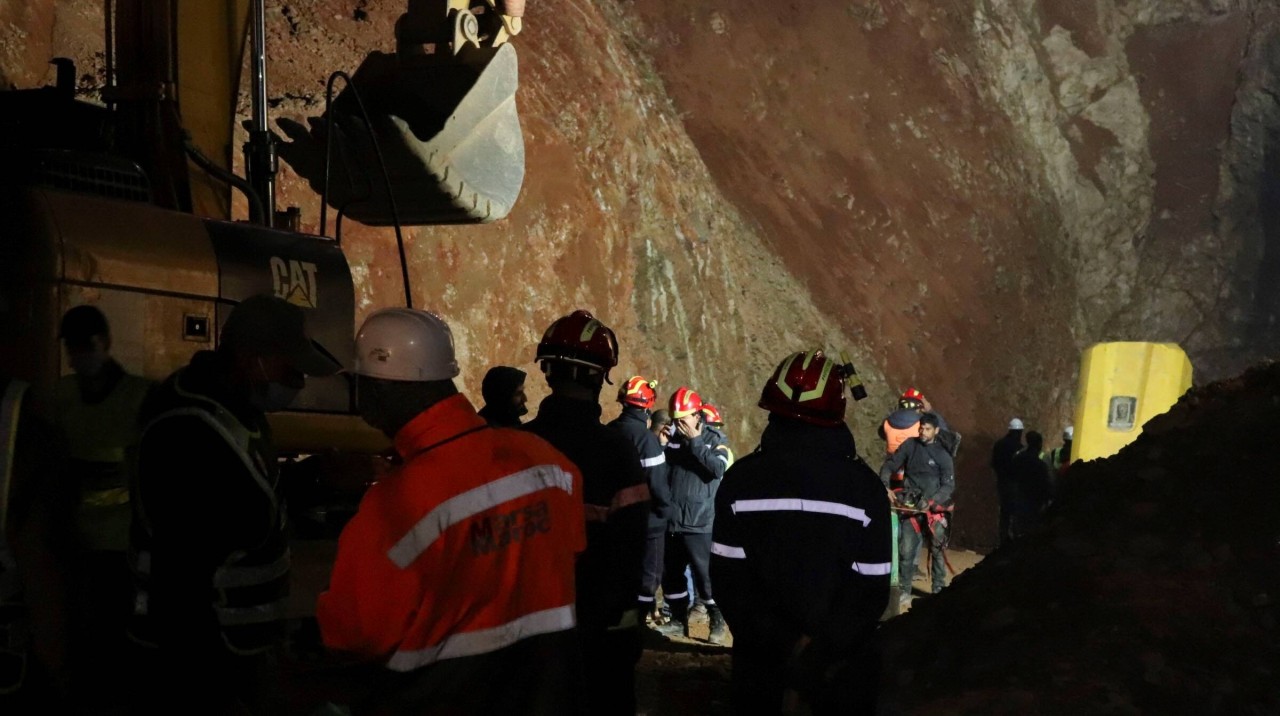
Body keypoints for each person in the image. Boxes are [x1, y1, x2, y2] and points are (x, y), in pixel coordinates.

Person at [316, 308, 587, 714]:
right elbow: (568, 553)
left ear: (380, 389)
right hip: (545, 696)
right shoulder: (551, 465)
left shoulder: (394, 505)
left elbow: (354, 635)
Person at [129, 294, 341, 714]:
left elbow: (247, 499)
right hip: (200, 664)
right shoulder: (189, 431)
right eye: (291, 370)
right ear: (251, 359)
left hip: (237, 654)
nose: (298, 383)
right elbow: (183, 578)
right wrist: (217, 694)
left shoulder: (235, 407)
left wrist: (319, 473)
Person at [712, 349, 890, 715]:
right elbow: (871, 591)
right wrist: (817, 652)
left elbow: (729, 582)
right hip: (838, 675)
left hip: (760, 670)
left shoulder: (740, 482)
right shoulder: (865, 488)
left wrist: (785, 645)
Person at [523, 310, 649, 715]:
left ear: (547, 373)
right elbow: (632, 547)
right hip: (596, 623)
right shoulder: (617, 453)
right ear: (600, 378)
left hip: (524, 625)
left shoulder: (512, 446)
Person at [52, 306, 153, 705]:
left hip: (117, 550)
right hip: (75, 546)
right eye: (74, 348)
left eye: (85, 346)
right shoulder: (62, 396)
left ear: (104, 343)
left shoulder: (138, 398)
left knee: (113, 643)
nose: (79, 356)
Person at [659, 386, 730, 644]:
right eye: (676, 418)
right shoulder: (673, 439)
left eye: (684, 418)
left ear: (697, 416)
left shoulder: (715, 439)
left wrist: (696, 441)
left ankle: (717, 621)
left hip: (700, 522)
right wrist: (661, 447)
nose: (679, 423)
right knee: (672, 574)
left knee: (705, 576)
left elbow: (719, 468)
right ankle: (678, 621)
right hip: (673, 520)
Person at [607, 376, 672, 619]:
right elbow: (658, 485)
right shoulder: (647, 441)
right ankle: (639, 625)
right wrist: (667, 513)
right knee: (648, 577)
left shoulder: (611, 430)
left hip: (613, 518)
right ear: (647, 405)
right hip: (648, 523)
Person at [879, 413, 955, 603]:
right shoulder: (910, 446)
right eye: (921, 427)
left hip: (933, 512)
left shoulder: (943, 455)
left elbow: (948, 485)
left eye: (927, 429)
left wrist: (932, 502)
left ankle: (938, 589)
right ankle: (904, 589)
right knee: (905, 551)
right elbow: (890, 465)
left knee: (937, 550)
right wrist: (885, 486)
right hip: (911, 507)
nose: (922, 431)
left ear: (936, 431)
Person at [1010, 431, 1054, 539]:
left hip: (1019, 499)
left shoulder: (1018, 458)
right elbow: (1046, 484)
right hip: (1034, 503)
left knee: (1018, 531)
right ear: (1039, 444)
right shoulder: (1040, 464)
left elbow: (1011, 477)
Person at [991, 417, 1024, 547]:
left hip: (1002, 482)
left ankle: (1002, 539)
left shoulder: (999, 444)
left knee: (1004, 512)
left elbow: (994, 463)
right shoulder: (1019, 447)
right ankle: (1013, 542)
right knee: (1014, 513)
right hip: (1014, 484)